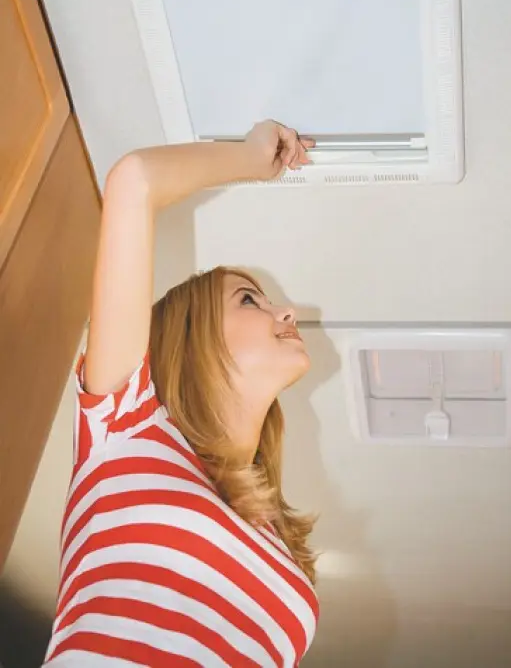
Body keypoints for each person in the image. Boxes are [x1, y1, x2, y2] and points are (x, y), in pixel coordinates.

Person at [43, 120, 319, 667]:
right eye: (252, 300)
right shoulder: (126, 424)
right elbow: (135, 180)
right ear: (189, 339)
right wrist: (252, 157)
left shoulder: (273, 537)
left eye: (252, 299)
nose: (286, 312)